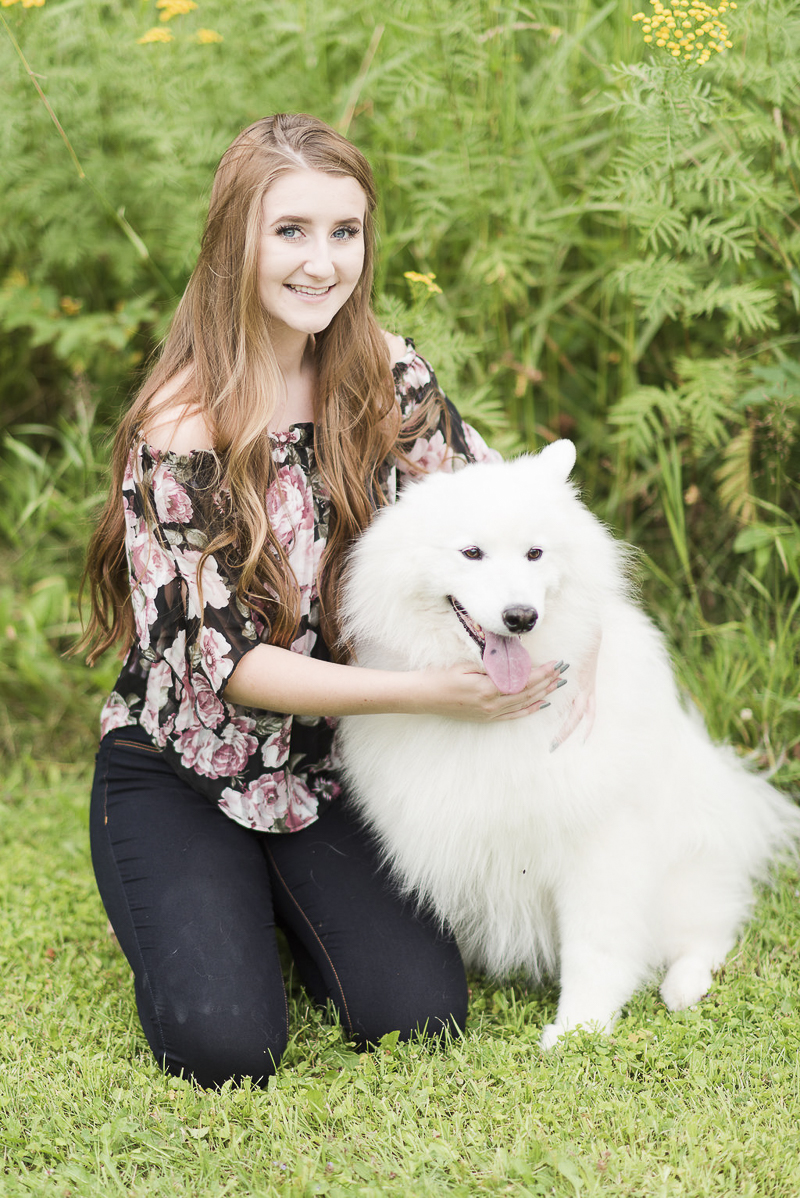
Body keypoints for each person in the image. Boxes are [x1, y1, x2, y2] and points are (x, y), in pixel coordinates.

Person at [81, 113, 566, 1089]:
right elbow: (234, 669)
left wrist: (573, 650)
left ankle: (281, 888)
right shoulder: (181, 427)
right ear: (235, 240)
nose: (321, 262)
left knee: (416, 1015)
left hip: (337, 764)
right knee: (225, 1047)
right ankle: (211, 891)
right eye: (290, 230)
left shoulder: (383, 371)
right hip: (185, 765)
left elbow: (498, 507)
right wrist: (441, 694)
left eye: (343, 232)